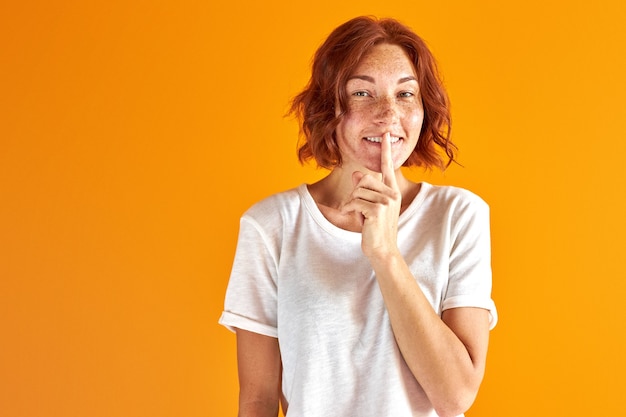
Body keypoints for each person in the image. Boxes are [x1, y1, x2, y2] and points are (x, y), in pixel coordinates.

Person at [219, 15, 497, 417]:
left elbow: (455, 396)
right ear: (327, 108)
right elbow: (257, 400)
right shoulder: (270, 227)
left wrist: (385, 253)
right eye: (362, 94)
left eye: (405, 95)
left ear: (424, 108)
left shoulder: (458, 216)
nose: (388, 115)